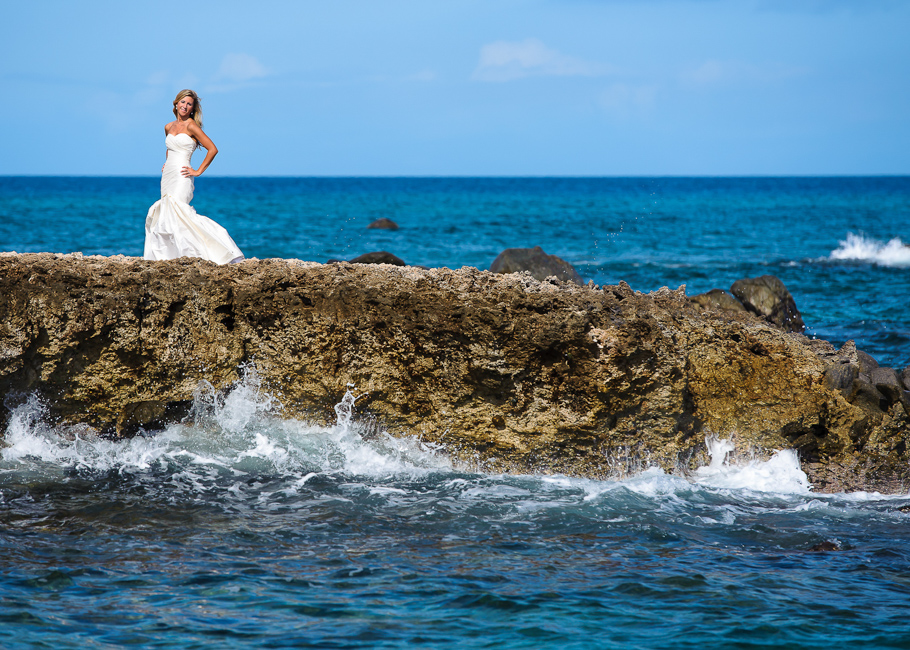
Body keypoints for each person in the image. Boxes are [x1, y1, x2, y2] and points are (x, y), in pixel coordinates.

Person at [144, 89, 244, 264]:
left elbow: (213, 149)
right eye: (183, 102)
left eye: (189, 104)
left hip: (183, 175)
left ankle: (219, 250)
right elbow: (170, 147)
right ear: (176, 104)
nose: (185, 106)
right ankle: (172, 256)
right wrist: (166, 162)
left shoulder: (191, 126)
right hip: (168, 175)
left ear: (192, 109)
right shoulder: (168, 126)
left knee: (181, 212)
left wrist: (198, 171)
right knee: (168, 214)